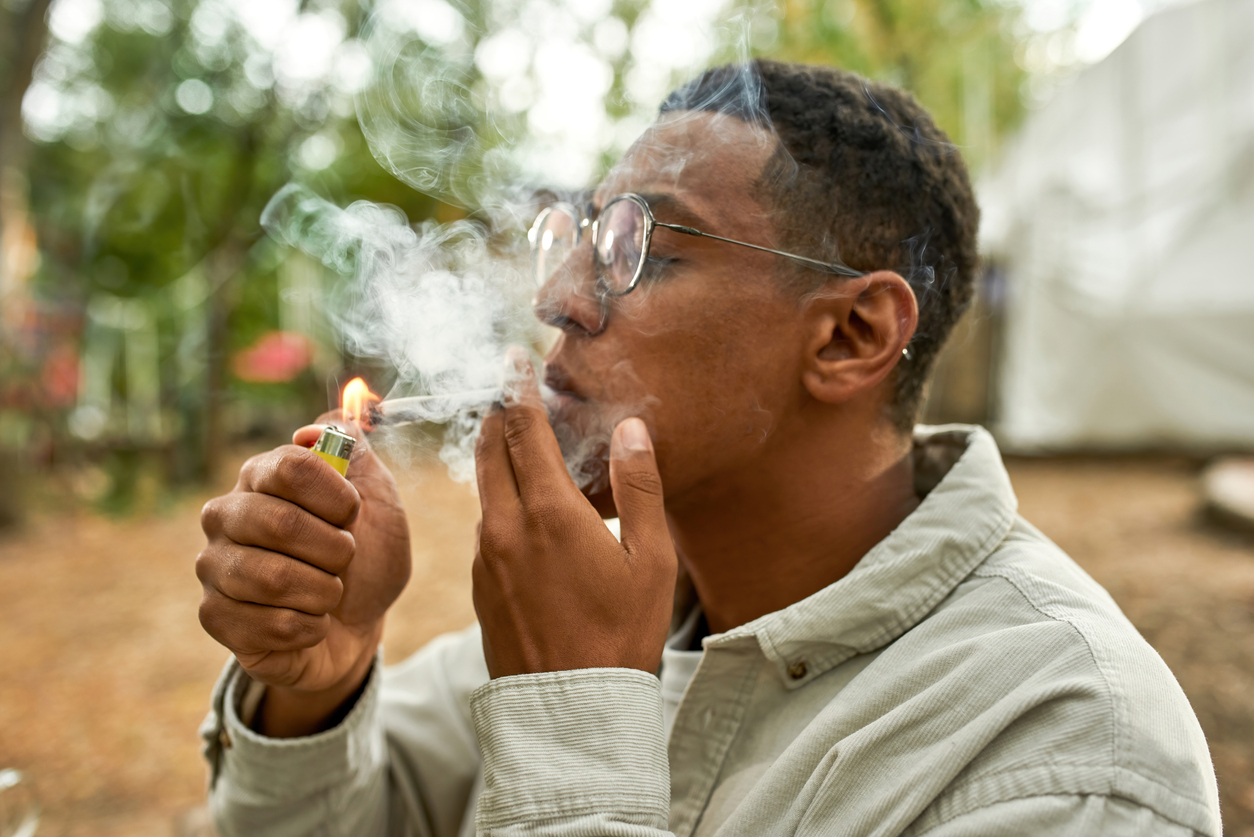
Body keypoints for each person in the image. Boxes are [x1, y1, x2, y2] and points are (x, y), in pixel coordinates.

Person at [195, 60, 1220, 836]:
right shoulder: (614, 614)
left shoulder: (1064, 753)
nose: (558, 301)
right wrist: (317, 688)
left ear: (851, 335)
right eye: (583, 241)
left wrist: (574, 717)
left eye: (645, 250)